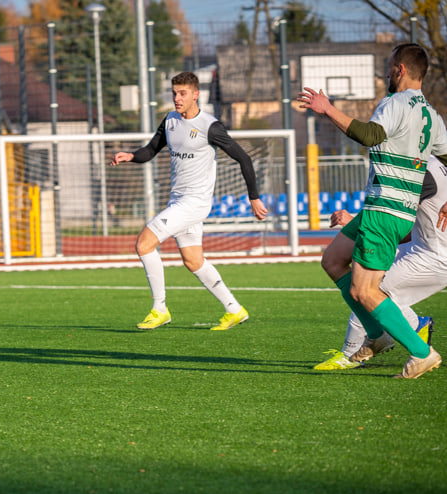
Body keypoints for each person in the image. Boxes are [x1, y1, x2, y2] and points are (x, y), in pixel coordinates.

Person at [298, 43, 447, 379]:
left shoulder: (396, 103)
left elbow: (369, 135)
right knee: (333, 260)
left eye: (389, 66)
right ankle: (378, 335)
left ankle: (422, 353)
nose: (386, 72)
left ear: (401, 70)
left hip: (386, 211)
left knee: (364, 291)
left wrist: (328, 109)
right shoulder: (432, 116)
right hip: (386, 209)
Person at [110, 71, 268, 331]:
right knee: (193, 260)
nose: (177, 98)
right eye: (174, 93)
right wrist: (131, 155)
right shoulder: (170, 120)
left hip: (194, 203)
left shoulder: (210, 126)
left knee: (144, 243)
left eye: (182, 93)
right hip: (179, 201)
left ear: (196, 95)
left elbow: (244, 158)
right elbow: (151, 150)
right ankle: (234, 309)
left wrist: (254, 197)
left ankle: (159, 308)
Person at [314, 155, 447, 370]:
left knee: (368, 290)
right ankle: (413, 326)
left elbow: (397, 226)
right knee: (361, 281)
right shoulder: (422, 162)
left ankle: (351, 354)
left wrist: (359, 225)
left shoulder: (421, 171)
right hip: (420, 247)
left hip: (436, 256)